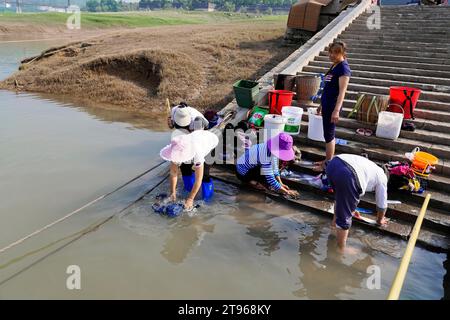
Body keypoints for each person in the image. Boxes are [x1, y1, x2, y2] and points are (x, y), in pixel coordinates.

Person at [325, 154, 388, 251]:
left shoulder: (369, 165)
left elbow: (344, 196)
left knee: (340, 199)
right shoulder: (382, 177)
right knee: (344, 218)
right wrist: (380, 220)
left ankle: (333, 229)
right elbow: (382, 204)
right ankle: (340, 249)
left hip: (333, 164)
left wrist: (352, 209)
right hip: (348, 174)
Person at [315, 41, 351, 171]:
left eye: (336, 52)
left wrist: (336, 111)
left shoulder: (343, 68)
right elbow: (328, 87)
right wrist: (321, 104)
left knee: (329, 134)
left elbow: (342, 92)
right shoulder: (335, 66)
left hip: (333, 106)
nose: (332, 55)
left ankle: (328, 165)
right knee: (327, 133)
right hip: (327, 104)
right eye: (331, 52)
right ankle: (326, 160)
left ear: (342, 53)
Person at [160, 130, 219, 210]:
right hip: (194, 138)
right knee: (185, 170)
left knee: (205, 175)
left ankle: (207, 199)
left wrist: (190, 199)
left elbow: (199, 179)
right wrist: (172, 192)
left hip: (210, 141)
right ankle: (189, 190)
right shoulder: (176, 148)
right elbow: (173, 173)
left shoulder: (198, 154)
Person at [236, 133, 299, 197]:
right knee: (267, 181)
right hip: (242, 173)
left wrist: (281, 183)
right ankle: (251, 182)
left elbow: (275, 167)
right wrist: (287, 192)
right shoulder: (265, 156)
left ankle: (256, 181)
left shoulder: (270, 149)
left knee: (270, 173)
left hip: (250, 166)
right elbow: (271, 179)